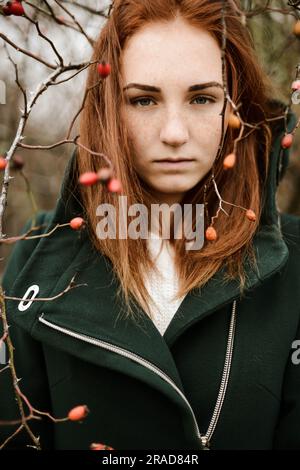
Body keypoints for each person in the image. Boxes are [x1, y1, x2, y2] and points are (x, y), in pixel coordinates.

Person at [1, 0, 300, 451]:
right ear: (108, 109)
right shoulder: (42, 258)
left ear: (237, 106)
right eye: (144, 99)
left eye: (202, 98)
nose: (174, 132)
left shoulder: (293, 264)